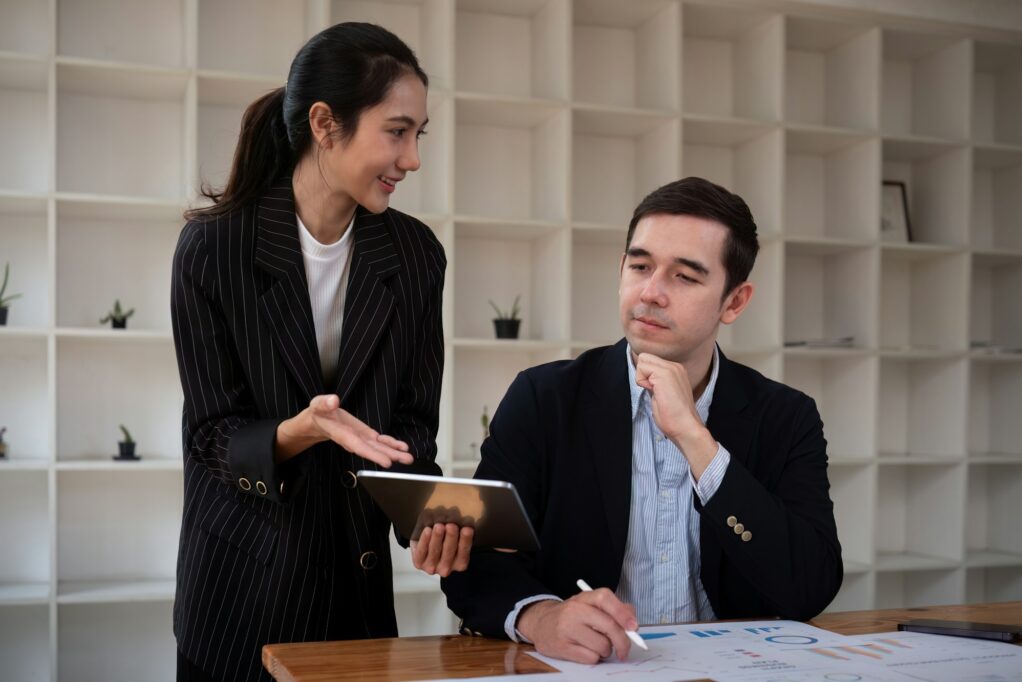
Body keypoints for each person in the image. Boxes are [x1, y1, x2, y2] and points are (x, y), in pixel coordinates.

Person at [171, 23, 471, 681]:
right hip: (240, 595)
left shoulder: (417, 256)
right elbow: (210, 435)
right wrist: (297, 433)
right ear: (325, 124)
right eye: (396, 131)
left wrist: (429, 516)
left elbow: (413, 422)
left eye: (419, 134)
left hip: (356, 593)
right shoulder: (213, 252)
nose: (412, 158)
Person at [441, 177, 842, 664]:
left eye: (685, 277)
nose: (650, 292)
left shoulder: (786, 416)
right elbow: (476, 564)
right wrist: (542, 617)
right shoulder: (543, 398)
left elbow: (811, 585)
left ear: (734, 302)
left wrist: (697, 441)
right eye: (640, 265)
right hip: (590, 671)